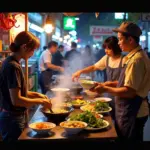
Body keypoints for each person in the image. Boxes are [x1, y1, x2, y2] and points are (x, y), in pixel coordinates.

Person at [91, 21, 150, 141]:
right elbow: (126, 81)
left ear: (130, 40)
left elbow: (130, 92)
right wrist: (108, 83)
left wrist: (105, 89)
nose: (118, 43)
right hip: (130, 110)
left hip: (134, 112)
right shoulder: (133, 56)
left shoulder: (136, 60)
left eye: (120, 39)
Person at [0, 31, 52, 142]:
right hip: (12, 119)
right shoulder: (12, 66)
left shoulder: (13, 62)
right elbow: (17, 100)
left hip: (13, 117)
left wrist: (38, 95)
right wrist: (40, 101)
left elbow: (21, 93)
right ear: (24, 47)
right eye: (32, 50)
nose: (33, 53)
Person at [72, 36, 124, 120]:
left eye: (108, 48)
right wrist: (80, 71)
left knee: (120, 122)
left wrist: (105, 84)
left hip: (121, 96)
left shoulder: (125, 60)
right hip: (109, 94)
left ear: (116, 48)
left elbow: (125, 82)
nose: (106, 51)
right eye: (105, 48)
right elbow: (94, 67)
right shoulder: (107, 58)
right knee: (110, 118)